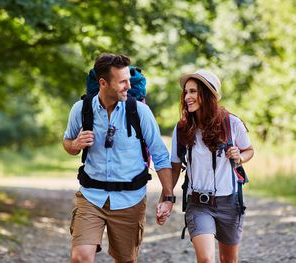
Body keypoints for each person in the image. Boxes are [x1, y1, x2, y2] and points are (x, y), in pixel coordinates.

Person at [63, 53, 174, 263]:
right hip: (91, 197)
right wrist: (75, 145)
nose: (128, 86)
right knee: (80, 257)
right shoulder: (81, 110)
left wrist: (168, 196)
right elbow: (67, 142)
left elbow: (160, 155)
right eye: (122, 81)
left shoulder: (140, 111)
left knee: (126, 260)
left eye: (129, 80)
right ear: (103, 83)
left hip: (129, 200)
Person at [169, 69, 254, 263]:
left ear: (207, 95)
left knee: (228, 260)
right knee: (206, 259)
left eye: (193, 91)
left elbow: (249, 150)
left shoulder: (232, 123)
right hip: (198, 203)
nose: (187, 96)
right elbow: (174, 164)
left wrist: (240, 156)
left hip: (230, 203)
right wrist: (167, 196)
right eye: (186, 91)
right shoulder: (182, 128)